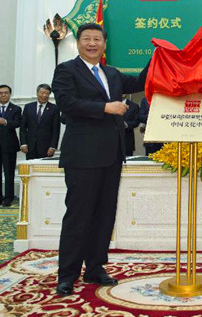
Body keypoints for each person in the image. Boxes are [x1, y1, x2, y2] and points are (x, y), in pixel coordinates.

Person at [51, 23, 150, 296]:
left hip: (112, 156)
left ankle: (95, 268)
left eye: (97, 39)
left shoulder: (111, 73)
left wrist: (158, 57)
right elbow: (67, 103)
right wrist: (106, 107)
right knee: (78, 216)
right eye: (87, 39)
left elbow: (140, 83)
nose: (92, 43)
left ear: (105, 45)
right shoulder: (67, 70)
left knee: (104, 216)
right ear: (78, 43)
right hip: (82, 156)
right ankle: (67, 275)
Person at [0, 85, 21, 207]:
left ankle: (8, 198)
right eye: (0, 93)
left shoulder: (16, 108)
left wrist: (6, 122)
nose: (3, 95)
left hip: (9, 146)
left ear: (10, 94)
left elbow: (18, 123)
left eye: (6, 93)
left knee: (9, 173)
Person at [20, 84, 60, 159]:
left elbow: (56, 129)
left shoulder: (54, 108)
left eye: (47, 93)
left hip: (46, 147)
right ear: (37, 93)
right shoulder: (28, 107)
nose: (44, 95)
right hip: (30, 146)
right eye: (42, 93)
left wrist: (53, 146)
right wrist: (23, 143)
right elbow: (23, 127)